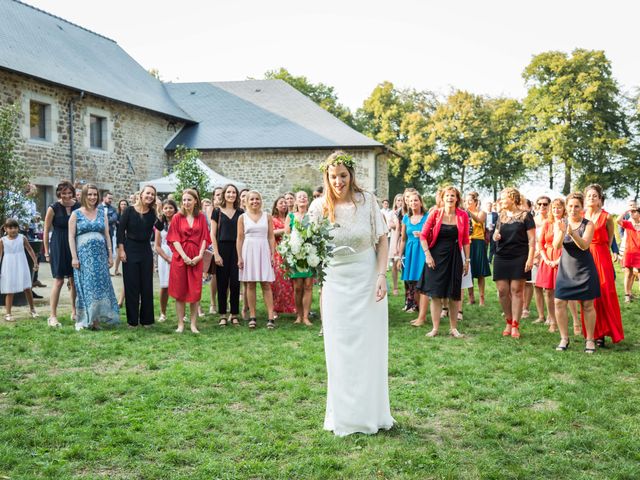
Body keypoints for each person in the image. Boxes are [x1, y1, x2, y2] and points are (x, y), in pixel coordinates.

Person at [308, 150, 394, 436]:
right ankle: (343, 416)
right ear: (327, 177)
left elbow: (382, 241)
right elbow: (311, 248)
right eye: (333, 177)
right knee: (339, 348)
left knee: (369, 347)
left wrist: (381, 276)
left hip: (367, 278)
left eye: (343, 176)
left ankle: (372, 413)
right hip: (335, 283)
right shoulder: (318, 207)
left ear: (351, 175)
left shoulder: (367, 201)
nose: (338, 182)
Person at [418, 186, 470, 338]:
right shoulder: (435, 214)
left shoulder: (463, 215)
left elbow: (466, 240)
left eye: (453, 195)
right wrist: (427, 255)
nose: (450, 198)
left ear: (457, 198)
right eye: (447, 195)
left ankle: (453, 328)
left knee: (454, 294)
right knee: (435, 294)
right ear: (442, 198)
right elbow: (423, 236)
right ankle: (435, 328)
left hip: (455, 257)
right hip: (435, 258)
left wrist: (467, 260)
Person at [553, 192, 600, 353]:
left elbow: (585, 246)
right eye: (570, 206)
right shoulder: (560, 223)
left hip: (584, 269)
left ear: (582, 208)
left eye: (577, 206)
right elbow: (557, 246)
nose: (573, 209)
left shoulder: (588, 224)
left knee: (587, 304)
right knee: (559, 302)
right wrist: (561, 232)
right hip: (566, 269)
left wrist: (571, 233)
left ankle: (590, 340)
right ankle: (564, 338)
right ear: (566, 207)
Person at [68, 184, 119, 330]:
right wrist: (74, 257)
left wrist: (110, 255)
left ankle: (96, 320)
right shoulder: (76, 214)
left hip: (100, 256)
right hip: (84, 257)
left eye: (95, 195)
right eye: (89, 194)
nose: (92, 197)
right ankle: (87, 319)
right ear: (84, 196)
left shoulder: (102, 212)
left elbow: (107, 235)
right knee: (87, 287)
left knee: (100, 287)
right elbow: (71, 237)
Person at [493, 187, 536, 339]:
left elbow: (532, 239)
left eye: (503, 198)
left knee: (517, 290)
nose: (501, 201)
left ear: (512, 198)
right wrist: (495, 236)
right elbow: (495, 234)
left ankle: (515, 325)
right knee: (502, 290)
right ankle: (508, 320)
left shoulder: (526, 216)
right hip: (501, 256)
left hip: (520, 256)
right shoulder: (501, 215)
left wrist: (530, 258)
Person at [583, 184, 623, 347]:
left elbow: (611, 239)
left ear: (600, 199)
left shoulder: (606, 217)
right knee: (588, 295)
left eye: (594, 196)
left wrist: (606, 252)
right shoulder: (581, 215)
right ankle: (593, 332)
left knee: (604, 292)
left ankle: (606, 331)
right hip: (585, 256)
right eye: (589, 196)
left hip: (601, 256)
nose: (591, 198)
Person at [167, 189, 211, 334]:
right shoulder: (177, 218)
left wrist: (199, 255)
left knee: (195, 291)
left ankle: (193, 324)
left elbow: (205, 237)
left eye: (189, 200)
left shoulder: (201, 217)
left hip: (196, 257)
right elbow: (173, 238)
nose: (186, 203)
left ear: (195, 201)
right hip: (181, 257)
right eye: (184, 200)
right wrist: (184, 256)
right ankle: (180, 324)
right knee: (180, 291)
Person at [117, 185, 158, 327]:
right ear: (141, 194)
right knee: (131, 285)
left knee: (146, 285)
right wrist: (121, 250)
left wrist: (158, 210)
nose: (150, 196)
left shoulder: (153, 213)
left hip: (146, 249)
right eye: (148, 193)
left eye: (152, 194)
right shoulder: (129, 211)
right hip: (130, 249)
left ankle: (147, 320)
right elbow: (120, 231)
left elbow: (159, 227)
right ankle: (132, 321)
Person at [237, 191, 276, 328]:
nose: (255, 201)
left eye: (257, 199)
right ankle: (252, 316)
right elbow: (240, 238)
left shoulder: (267, 216)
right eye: (252, 199)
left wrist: (272, 254)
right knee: (251, 284)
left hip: (263, 249)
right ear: (247, 201)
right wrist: (239, 257)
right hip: (248, 250)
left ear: (261, 200)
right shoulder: (242, 217)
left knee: (266, 284)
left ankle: (271, 317)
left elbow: (271, 236)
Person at [42, 180, 79, 327]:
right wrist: (46, 251)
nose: (67, 196)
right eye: (64, 193)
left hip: (73, 245)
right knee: (58, 280)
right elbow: (46, 230)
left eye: (69, 193)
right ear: (59, 193)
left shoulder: (78, 206)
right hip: (58, 244)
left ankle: (74, 312)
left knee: (74, 280)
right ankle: (52, 316)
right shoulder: (53, 208)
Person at [211, 184, 244, 326]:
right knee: (222, 283)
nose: (231, 195)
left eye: (233, 192)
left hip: (237, 249)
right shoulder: (217, 211)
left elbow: (242, 234)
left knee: (236, 283)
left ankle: (234, 313)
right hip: (222, 248)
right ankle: (223, 314)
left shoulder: (241, 212)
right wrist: (216, 254)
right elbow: (212, 234)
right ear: (224, 194)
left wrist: (241, 255)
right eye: (228, 192)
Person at [285, 191, 315, 325]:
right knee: (298, 287)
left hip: (310, 254)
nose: (302, 198)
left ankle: (306, 317)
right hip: (296, 255)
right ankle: (299, 315)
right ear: (296, 201)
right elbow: (287, 236)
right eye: (299, 197)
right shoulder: (290, 216)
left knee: (308, 286)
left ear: (307, 200)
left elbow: (317, 233)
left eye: (304, 196)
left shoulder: (312, 216)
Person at [0, 218, 39, 322]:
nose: (13, 230)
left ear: (18, 228)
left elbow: (30, 250)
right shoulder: (2, 241)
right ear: (5, 229)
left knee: (27, 288)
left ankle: (32, 309)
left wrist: (35, 262)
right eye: (10, 228)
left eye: (15, 227)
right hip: (8, 266)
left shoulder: (22, 238)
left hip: (21, 264)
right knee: (9, 290)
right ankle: (8, 313)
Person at [399, 190, 427, 313]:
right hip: (410, 251)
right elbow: (403, 239)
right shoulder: (406, 218)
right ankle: (415, 305)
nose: (413, 202)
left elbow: (432, 235)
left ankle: (422, 306)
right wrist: (400, 257)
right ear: (408, 203)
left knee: (422, 278)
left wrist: (422, 235)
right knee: (411, 280)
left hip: (422, 249)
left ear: (421, 202)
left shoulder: (427, 217)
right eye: (411, 201)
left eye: (416, 200)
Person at [271, 195, 296, 314]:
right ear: (276, 205)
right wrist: (285, 229)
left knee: (291, 281)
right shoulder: (272, 219)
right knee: (277, 281)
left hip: (291, 252)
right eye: (281, 203)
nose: (284, 205)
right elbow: (271, 233)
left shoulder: (291, 217)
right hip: (277, 252)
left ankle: (291, 307)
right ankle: (275, 308)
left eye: (285, 203)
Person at [465, 192, 491, 306]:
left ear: (475, 202)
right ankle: (471, 298)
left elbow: (479, 221)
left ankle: (482, 299)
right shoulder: (463, 214)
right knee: (468, 271)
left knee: (480, 272)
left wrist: (468, 211)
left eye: (470, 200)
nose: (467, 202)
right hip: (467, 243)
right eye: (466, 200)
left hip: (479, 242)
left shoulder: (482, 213)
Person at [154, 199, 178, 322]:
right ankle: (163, 313)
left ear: (175, 209)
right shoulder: (159, 224)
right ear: (162, 210)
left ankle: (182, 313)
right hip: (164, 255)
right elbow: (157, 246)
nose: (168, 210)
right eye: (166, 208)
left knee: (180, 284)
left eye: (170, 208)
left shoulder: (179, 221)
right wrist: (167, 258)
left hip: (178, 254)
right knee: (165, 286)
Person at [617, 208, 640, 303]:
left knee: (638, 274)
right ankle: (627, 295)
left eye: (634, 212)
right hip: (629, 252)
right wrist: (626, 210)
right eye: (632, 212)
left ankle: (631, 294)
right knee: (628, 274)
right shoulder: (628, 224)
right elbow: (618, 220)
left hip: (639, 253)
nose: (632, 213)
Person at [388, 194, 404, 296]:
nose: (400, 202)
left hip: (404, 239)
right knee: (394, 264)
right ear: (395, 202)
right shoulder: (392, 213)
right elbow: (391, 225)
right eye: (398, 200)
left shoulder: (407, 213)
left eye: (402, 200)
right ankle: (395, 287)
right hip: (395, 239)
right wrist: (398, 224)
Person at [113, 199, 129, 276]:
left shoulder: (129, 214)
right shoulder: (117, 215)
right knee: (119, 254)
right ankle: (116, 270)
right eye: (122, 204)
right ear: (119, 205)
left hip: (128, 236)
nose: (123, 205)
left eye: (125, 204)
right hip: (119, 236)